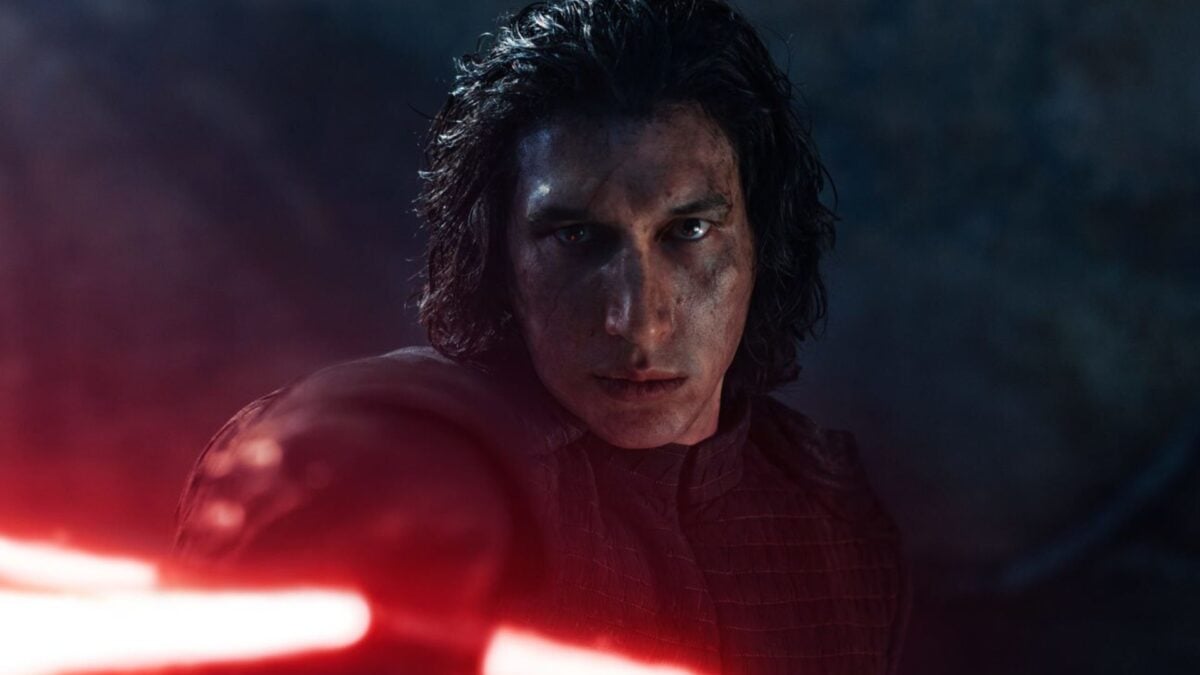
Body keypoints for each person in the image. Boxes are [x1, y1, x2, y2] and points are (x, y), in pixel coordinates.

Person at [174, 1, 908, 673]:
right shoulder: (407, 459)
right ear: (499, 253)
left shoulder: (835, 520)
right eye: (577, 237)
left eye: (688, 231)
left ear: (761, 242)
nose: (636, 319)